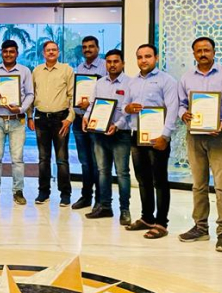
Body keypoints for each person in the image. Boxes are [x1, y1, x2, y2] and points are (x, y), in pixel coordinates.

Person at [124, 44, 178, 239]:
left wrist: (165, 136)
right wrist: (128, 108)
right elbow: (124, 106)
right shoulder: (132, 82)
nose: (143, 60)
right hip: (137, 136)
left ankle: (161, 223)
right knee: (142, 179)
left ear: (156, 57)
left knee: (159, 181)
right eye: (139, 57)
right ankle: (147, 217)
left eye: (147, 56)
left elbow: (172, 110)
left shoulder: (167, 81)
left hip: (158, 138)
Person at [178, 37, 222, 252]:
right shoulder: (186, 78)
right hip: (194, 136)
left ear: (214, 52)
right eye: (198, 51)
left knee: (221, 186)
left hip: (219, 137)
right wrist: (183, 114)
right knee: (199, 184)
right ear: (193, 53)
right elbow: (181, 104)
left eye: (206, 50)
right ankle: (200, 228)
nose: (203, 53)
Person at [83, 49, 132, 225]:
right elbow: (92, 105)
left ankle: (124, 210)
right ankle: (105, 207)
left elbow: (128, 112)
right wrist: (86, 117)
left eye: (116, 61)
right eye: (109, 62)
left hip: (121, 134)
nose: (112, 64)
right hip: (100, 134)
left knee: (122, 173)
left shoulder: (130, 83)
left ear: (123, 63)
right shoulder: (100, 83)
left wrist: (116, 126)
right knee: (103, 171)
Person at [0, 40, 34, 206]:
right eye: (5, 51)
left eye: (11, 52)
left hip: (16, 121)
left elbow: (30, 94)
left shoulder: (25, 71)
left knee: (17, 159)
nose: (8, 54)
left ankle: (18, 191)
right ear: (1, 52)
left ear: (17, 53)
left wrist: (21, 109)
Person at [27, 40, 74, 207]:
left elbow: (72, 96)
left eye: (54, 50)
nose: (51, 52)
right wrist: (29, 116)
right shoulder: (37, 71)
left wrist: (70, 118)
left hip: (61, 119)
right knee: (43, 158)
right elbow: (31, 95)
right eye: (48, 50)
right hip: (41, 119)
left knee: (62, 159)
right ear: (43, 53)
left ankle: (65, 193)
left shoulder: (67, 70)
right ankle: (43, 192)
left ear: (58, 52)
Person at [71, 36, 106, 210]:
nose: (87, 50)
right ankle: (86, 197)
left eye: (91, 47)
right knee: (84, 161)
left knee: (98, 162)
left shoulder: (106, 67)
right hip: (79, 120)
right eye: (84, 47)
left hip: (96, 121)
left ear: (97, 48)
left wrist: (91, 104)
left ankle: (101, 200)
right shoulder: (79, 68)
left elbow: (109, 94)